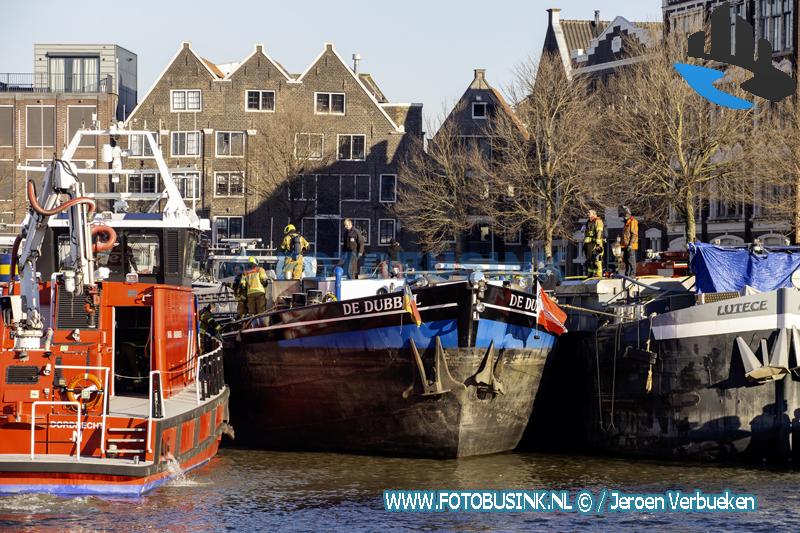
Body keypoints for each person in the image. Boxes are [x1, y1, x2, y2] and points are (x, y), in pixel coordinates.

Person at [583, 209, 604, 277]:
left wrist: (598, 244)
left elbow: (599, 232)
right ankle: (590, 274)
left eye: (589, 212)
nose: (588, 213)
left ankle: (598, 275)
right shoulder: (588, 222)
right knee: (589, 260)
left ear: (594, 214)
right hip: (588, 244)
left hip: (595, 244)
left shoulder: (598, 221)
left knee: (597, 259)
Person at [620, 206, 639, 278]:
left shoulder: (632, 221)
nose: (623, 216)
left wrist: (630, 245)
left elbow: (634, 234)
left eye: (624, 214)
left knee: (631, 259)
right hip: (625, 245)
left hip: (630, 245)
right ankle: (627, 273)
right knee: (626, 260)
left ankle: (633, 274)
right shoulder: (626, 222)